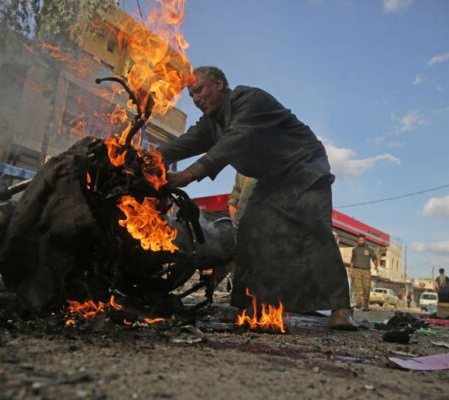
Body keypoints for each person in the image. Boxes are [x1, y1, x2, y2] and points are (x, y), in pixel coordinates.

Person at [159, 66, 356, 329]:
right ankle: (245, 305)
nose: (195, 99)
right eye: (191, 95)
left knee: (314, 229)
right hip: (272, 178)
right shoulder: (211, 123)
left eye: (199, 90)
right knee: (250, 229)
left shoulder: (249, 100)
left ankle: (341, 309)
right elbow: (184, 143)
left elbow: (235, 141)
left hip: (304, 165)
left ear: (219, 84)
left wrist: (187, 175)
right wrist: (144, 158)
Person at [349, 234, 378, 310]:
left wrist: (376, 266)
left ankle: (366, 305)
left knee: (366, 288)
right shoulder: (355, 249)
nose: (361, 241)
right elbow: (352, 260)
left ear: (365, 240)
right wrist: (351, 270)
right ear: (358, 240)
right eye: (359, 240)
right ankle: (358, 304)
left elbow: (374, 258)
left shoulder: (369, 249)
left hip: (366, 271)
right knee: (358, 288)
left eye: (362, 240)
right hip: (357, 270)